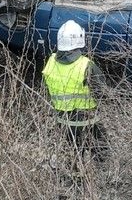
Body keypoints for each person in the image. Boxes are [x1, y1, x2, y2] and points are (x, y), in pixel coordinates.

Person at [42, 20, 107, 162]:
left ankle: (76, 178)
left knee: (73, 154)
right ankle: (101, 177)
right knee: (101, 150)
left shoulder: (50, 62)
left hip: (63, 120)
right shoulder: (86, 66)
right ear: (79, 39)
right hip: (88, 120)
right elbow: (102, 93)